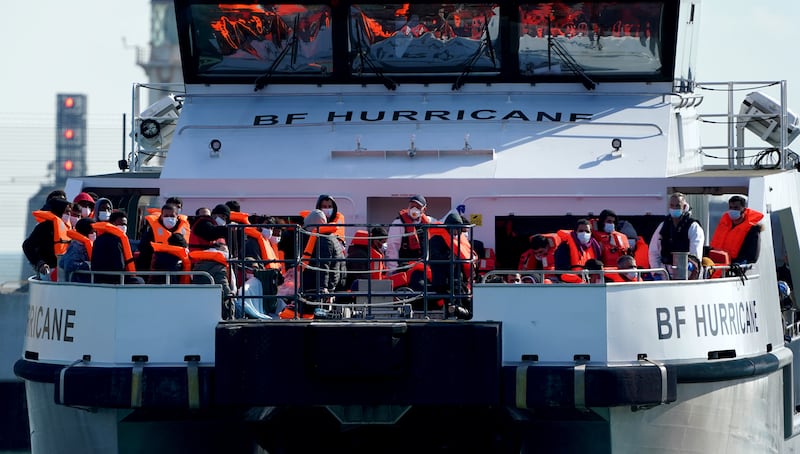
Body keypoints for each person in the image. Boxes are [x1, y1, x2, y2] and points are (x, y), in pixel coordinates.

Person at [427, 212, 475, 319]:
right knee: (452, 304)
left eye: (458, 229)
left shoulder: (458, 242)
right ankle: (454, 313)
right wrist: (450, 256)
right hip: (443, 281)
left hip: (458, 281)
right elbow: (435, 258)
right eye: (454, 228)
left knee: (468, 302)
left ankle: (461, 314)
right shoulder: (436, 240)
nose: (456, 232)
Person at [299, 209, 346, 317]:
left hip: (320, 287)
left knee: (313, 314)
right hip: (329, 285)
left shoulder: (323, 240)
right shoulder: (331, 237)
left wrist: (323, 288)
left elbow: (324, 265)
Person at [648, 192, 705, 271]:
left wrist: (689, 267)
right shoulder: (664, 226)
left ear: (684, 207)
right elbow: (653, 251)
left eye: (677, 206)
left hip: (686, 273)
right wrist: (656, 271)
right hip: (665, 272)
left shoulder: (693, 227)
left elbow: (695, 254)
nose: (674, 208)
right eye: (672, 206)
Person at [23, 195, 71, 280]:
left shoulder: (68, 228)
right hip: (49, 271)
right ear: (59, 211)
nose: (69, 214)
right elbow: (27, 245)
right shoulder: (44, 227)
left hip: (63, 271)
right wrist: (40, 263)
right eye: (66, 212)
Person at [386, 195, 435, 274]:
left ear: (424, 209)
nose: (414, 209)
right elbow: (392, 248)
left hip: (422, 266)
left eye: (418, 207)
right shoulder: (399, 223)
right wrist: (393, 269)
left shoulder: (428, 222)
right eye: (412, 206)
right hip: (404, 266)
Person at [710, 195, 763, 265]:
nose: (732, 210)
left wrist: (739, 263)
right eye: (731, 208)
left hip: (734, 270)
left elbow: (752, 257)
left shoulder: (752, 230)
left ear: (743, 210)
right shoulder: (724, 225)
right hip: (716, 266)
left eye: (736, 208)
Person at [92, 211, 143, 284]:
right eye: (121, 224)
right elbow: (119, 265)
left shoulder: (98, 239)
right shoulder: (116, 241)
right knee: (140, 281)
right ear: (112, 224)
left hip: (97, 279)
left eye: (125, 224)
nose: (123, 227)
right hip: (114, 279)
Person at [136, 203, 191, 271]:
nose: (169, 218)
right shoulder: (152, 231)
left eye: (172, 216)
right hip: (158, 267)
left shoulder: (184, 230)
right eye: (166, 216)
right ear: (161, 217)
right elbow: (144, 250)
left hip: (180, 266)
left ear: (177, 217)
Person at [190, 241, 235, 319]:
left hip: (199, 304)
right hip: (217, 306)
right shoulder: (219, 267)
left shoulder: (197, 265)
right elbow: (224, 286)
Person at [554, 219, 602, 283]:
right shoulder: (564, 246)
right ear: (575, 232)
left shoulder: (595, 247)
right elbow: (561, 272)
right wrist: (579, 281)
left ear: (591, 233)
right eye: (581, 231)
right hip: (572, 283)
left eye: (587, 231)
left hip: (592, 282)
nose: (584, 233)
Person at [345, 226, 388, 290]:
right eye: (383, 242)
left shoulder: (369, 252)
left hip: (366, 287)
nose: (383, 245)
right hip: (354, 290)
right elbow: (362, 276)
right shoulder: (359, 254)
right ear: (376, 241)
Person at [62, 218, 95, 282]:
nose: (94, 234)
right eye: (93, 232)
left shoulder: (84, 245)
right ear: (86, 232)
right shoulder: (76, 247)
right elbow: (68, 265)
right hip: (77, 284)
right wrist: (88, 265)